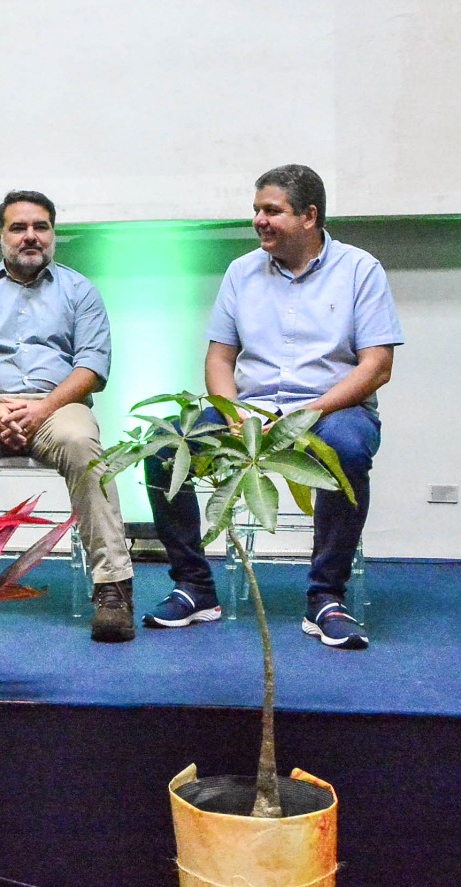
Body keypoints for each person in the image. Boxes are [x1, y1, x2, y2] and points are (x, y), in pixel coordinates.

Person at [144, 164, 403, 649]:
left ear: (309, 216)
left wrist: (312, 413)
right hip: (249, 411)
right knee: (162, 448)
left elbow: (377, 366)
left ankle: (326, 598)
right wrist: (232, 410)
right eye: (256, 210)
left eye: (272, 211)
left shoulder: (360, 270)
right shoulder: (241, 272)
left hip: (332, 410)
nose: (259, 220)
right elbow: (220, 358)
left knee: (347, 450)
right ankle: (194, 586)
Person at [0, 190, 136, 642]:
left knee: (83, 446)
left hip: (58, 407)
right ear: (1, 236)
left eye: (41, 227)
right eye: (18, 228)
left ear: (54, 234)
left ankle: (113, 586)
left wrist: (42, 409)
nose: (30, 236)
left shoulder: (80, 290)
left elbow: (93, 367)